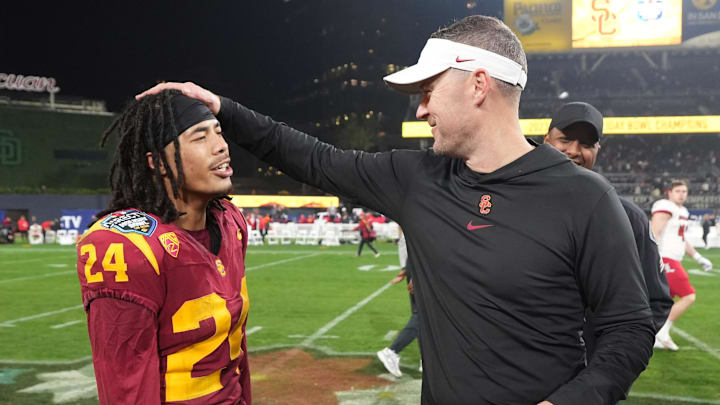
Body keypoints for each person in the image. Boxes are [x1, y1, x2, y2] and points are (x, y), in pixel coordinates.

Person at [139, 15, 654, 405]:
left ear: (478, 85)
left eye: (429, 91)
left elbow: (629, 330)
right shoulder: (418, 178)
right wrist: (222, 108)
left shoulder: (586, 198)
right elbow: (314, 159)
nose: (422, 109)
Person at [76, 90, 251, 404]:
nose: (221, 146)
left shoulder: (230, 221)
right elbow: (126, 388)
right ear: (157, 162)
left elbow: (237, 354)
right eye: (200, 137)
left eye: (219, 133)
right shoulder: (125, 245)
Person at [542, 101, 673, 358]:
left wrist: (607, 365)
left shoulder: (627, 218)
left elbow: (656, 302)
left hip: (588, 378)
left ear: (598, 149)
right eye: (565, 139)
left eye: (587, 144)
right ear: (546, 140)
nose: (574, 150)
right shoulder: (514, 203)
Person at [651, 179, 713, 351]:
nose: (681, 194)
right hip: (665, 258)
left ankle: (656, 336)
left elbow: (682, 239)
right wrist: (655, 258)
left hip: (673, 259)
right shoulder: (665, 206)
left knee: (664, 303)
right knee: (689, 296)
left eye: (684, 191)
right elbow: (654, 232)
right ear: (669, 192)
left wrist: (699, 257)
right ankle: (663, 331)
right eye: (678, 191)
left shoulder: (682, 211)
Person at [377, 228, 419, 377]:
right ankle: (392, 352)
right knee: (423, 315)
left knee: (423, 315)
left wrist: (406, 269)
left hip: (415, 264)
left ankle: (427, 359)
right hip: (420, 266)